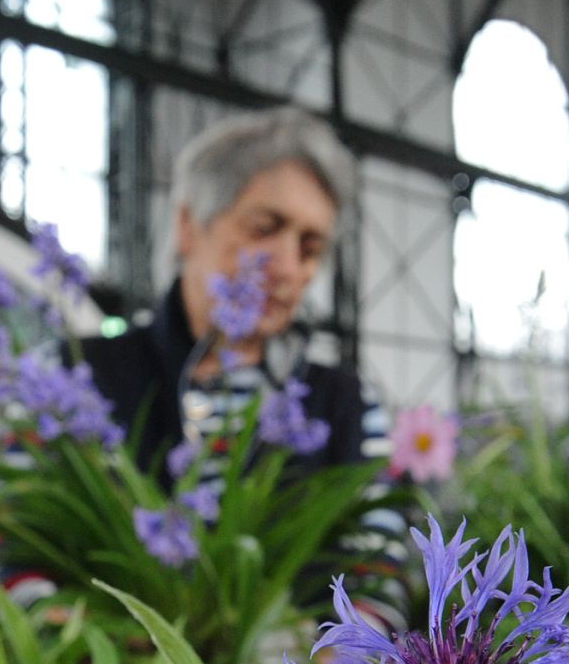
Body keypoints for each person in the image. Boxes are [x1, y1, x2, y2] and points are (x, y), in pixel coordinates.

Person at [80, 107, 377, 476]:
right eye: (264, 229)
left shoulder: (346, 405)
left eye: (310, 249)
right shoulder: (77, 377)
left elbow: (380, 530)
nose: (287, 268)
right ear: (188, 227)